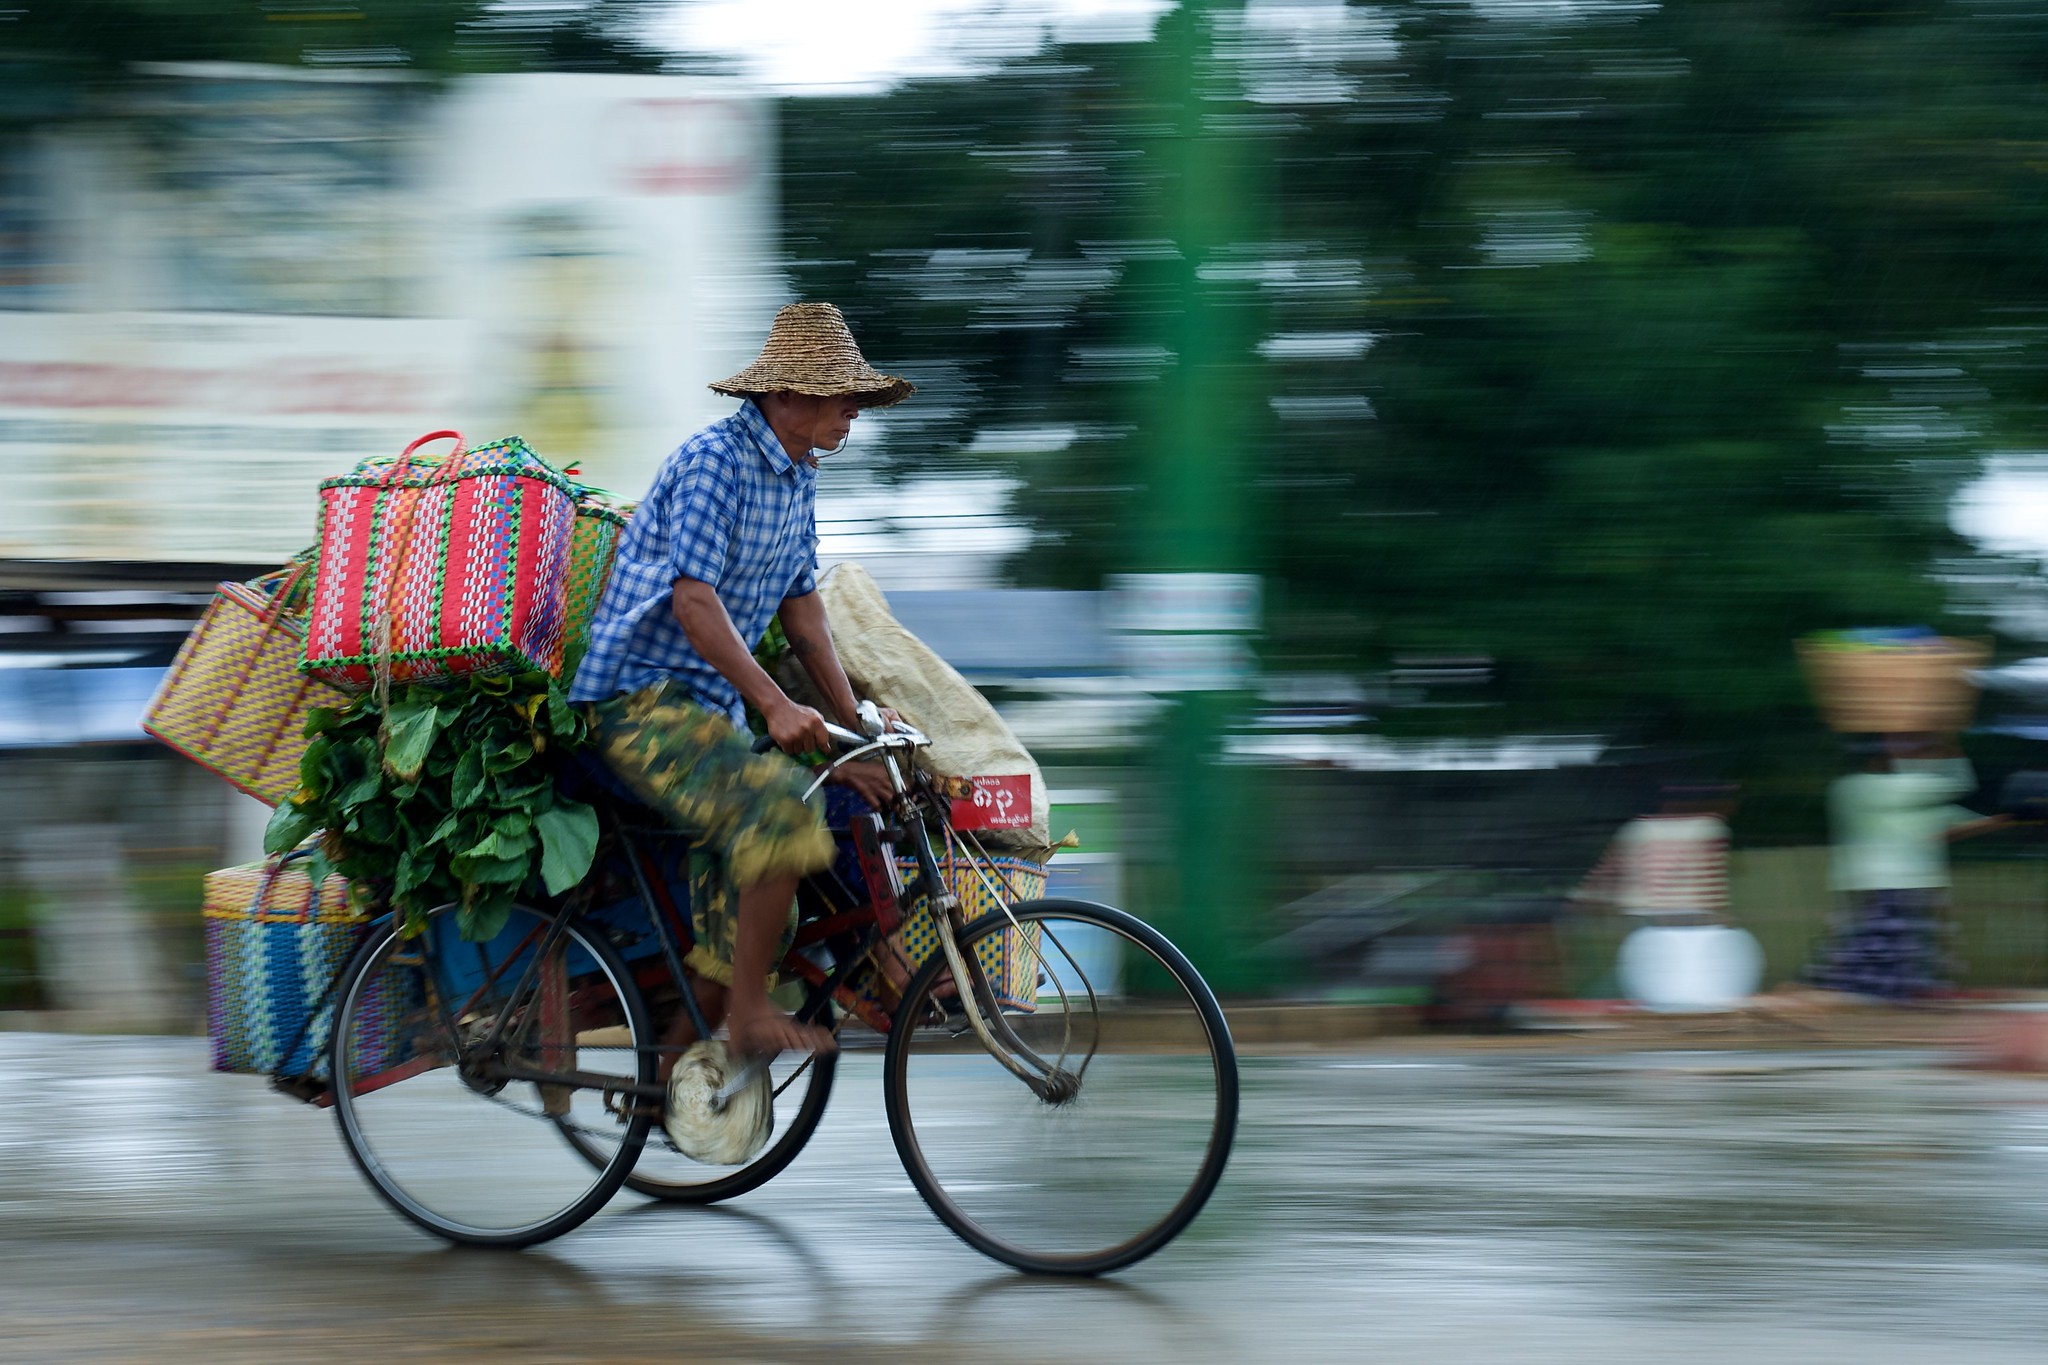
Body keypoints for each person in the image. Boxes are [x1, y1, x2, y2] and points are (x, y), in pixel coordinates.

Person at [568, 302, 910, 1059]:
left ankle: (671, 1073)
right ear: (783, 394)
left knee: (769, 914)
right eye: (837, 390)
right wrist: (776, 703)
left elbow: (804, 613)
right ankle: (750, 1017)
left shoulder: (799, 475)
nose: (853, 407)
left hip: (711, 713)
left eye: (855, 393)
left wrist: (855, 733)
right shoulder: (712, 463)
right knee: (784, 817)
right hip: (638, 704)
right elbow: (694, 599)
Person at [1799, 733, 2005, 1003]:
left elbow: (1942, 819)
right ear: (1876, 760)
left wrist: (1998, 821)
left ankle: (1871, 995)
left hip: (1874, 883)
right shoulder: (1872, 789)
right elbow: (1955, 784)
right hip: (1889, 884)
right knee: (1887, 947)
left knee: (1881, 946)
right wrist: (1948, 744)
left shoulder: (1853, 790)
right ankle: (1850, 994)